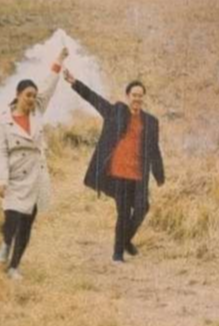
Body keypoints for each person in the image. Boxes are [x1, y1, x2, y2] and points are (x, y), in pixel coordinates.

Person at [62, 69, 165, 264]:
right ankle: (117, 254)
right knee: (124, 212)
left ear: (143, 98)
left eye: (140, 96)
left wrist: (159, 175)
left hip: (138, 174)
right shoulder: (116, 111)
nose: (137, 99)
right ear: (128, 96)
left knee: (143, 208)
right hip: (118, 172)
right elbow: (94, 99)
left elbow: (154, 150)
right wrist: (75, 83)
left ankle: (125, 241)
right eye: (134, 95)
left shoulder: (151, 122)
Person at [0, 48, 68, 280]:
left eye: (34, 95)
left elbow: (49, 85)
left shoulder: (37, 111)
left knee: (27, 223)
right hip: (15, 176)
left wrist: (60, 59)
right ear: (17, 95)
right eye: (27, 95)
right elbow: (0, 152)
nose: (31, 99)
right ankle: (5, 244)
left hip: (36, 175)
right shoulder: (3, 121)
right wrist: (2, 180)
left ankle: (14, 266)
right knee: (12, 219)